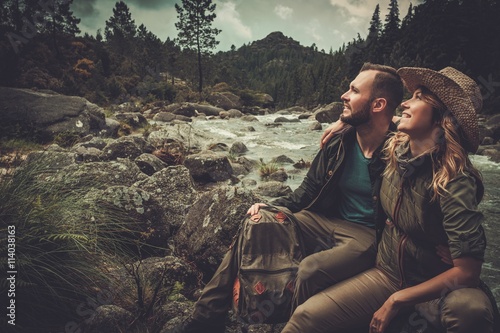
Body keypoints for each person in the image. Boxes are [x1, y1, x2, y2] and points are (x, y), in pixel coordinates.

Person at [167, 63, 404, 333]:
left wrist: (385, 121)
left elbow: (436, 130)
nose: (344, 96)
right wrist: (271, 208)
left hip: (367, 234)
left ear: (378, 104)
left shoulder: (400, 149)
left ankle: (289, 323)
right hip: (323, 220)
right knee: (255, 221)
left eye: (353, 90)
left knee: (310, 269)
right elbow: (307, 192)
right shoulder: (340, 141)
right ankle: (205, 316)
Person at [281, 66, 495, 333]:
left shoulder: (454, 180)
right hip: (387, 274)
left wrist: (397, 299)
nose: (405, 102)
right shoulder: (395, 150)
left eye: (417, 97)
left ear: (442, 119)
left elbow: (468, 272)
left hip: (428, 283)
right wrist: (345, 121)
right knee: (304, 319)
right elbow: (376, 114)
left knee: (470, 308)